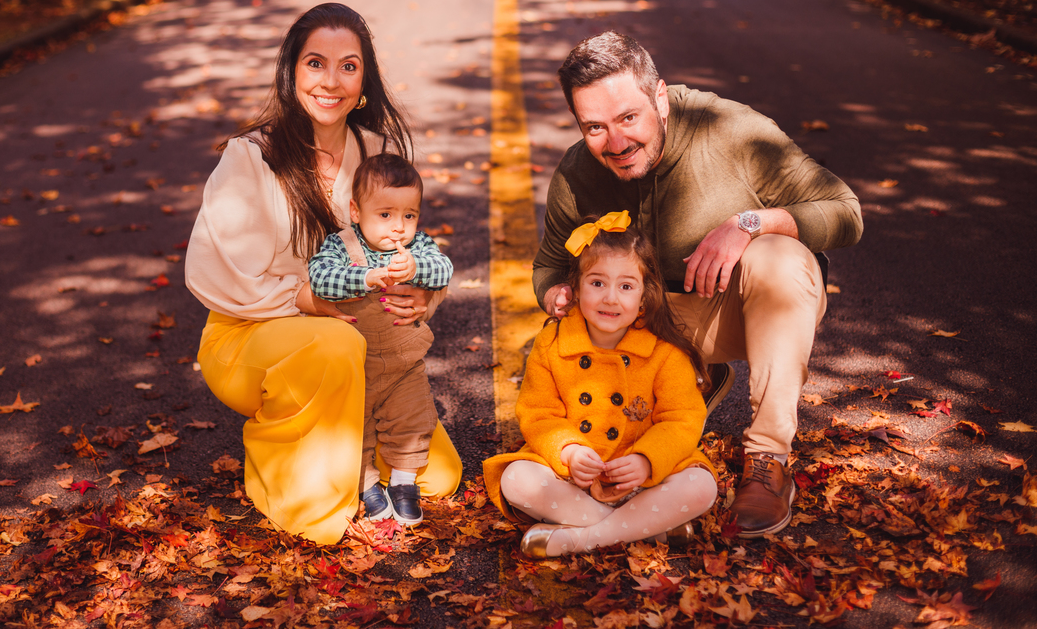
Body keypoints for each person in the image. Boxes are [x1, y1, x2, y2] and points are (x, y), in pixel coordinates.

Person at [533, 31, 862, 537]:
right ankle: (681, 386)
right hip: (649, 324)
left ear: (660, 98)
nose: (616, 143)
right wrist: (557, 293)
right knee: (585, 305)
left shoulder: (732, 130)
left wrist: (750, 224)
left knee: (782, 258)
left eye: (628, 118)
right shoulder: (578, 171)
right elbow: (549, 266)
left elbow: (846, 212)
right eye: (594, 127)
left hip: (735, 308)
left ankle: (768, 459)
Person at [185, 3, 463, 545]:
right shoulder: (252, 157)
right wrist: (305, 298)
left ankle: (355, 459)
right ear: (292, 72)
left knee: (440, 475)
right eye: (316, 63)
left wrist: (420, 299)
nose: (331, 81)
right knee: (336, 343)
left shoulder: (377, 153)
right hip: (248, 336)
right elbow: (213, 275)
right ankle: (288, 474)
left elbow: (409, 244)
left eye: (348, 66)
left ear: (365, 81)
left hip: (366, 342)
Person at [484, 212, 718, 557]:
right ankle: (645, 529)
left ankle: (583, 539)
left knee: (701, 486)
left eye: (625, 286)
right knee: (516, 478)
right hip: (573, 480)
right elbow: (538, 413)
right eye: (597, 283)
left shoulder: (664, 351)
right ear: (575, 288)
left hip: (644, 480)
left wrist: (645, 460)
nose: (611, 298)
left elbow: (682, 419)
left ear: (643, 295)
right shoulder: (552, 342)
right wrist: (569, 451)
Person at [308, 153, 454, 526]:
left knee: (413, 420)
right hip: (357, 367)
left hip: (404, 365)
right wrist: (366, 277)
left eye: (409, 215)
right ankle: (367, 483)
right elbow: (320, 277)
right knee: (355, 427)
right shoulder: (342, 245)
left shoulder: (416, 247)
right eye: (385, 214)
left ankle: (404, 483)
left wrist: (419, 267)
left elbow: (444, 268)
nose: (399, 227)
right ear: (356, 211)